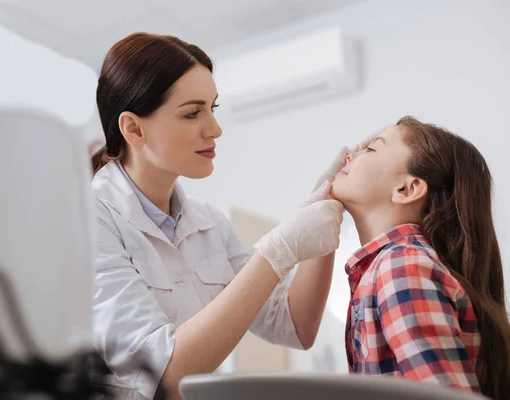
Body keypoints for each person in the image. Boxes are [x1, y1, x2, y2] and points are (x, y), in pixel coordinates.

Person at [90, 32, 372, 400]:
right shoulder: (91, 220)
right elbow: (166, 375)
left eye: (213, 108)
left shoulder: (209, 222)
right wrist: (277, 251)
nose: (215, 129)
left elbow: (295, 325)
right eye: (193, 113)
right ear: (133, 128)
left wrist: (324, 211)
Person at [331, 116, 510, 399]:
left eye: (372, 148)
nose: (350, 154)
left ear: (407, 189)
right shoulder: (396, 264)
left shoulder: (402, 266)